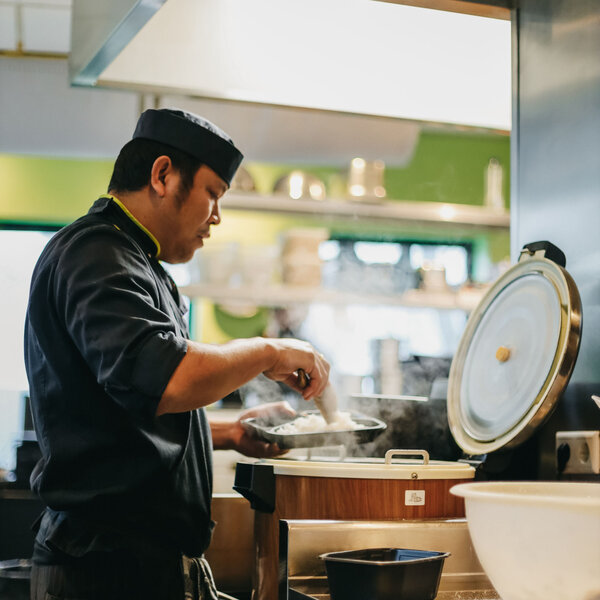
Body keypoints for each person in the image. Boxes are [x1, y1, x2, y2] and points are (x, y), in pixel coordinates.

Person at [24, 108, 330, 600]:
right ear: (163, 175)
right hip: (106, 570)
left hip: (136, 566)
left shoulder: (138, 262)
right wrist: (271, 350)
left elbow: (125, 412)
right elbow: (170, 380)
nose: (217, 216)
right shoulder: (98, 254)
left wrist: (232, 432)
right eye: (212, 193)